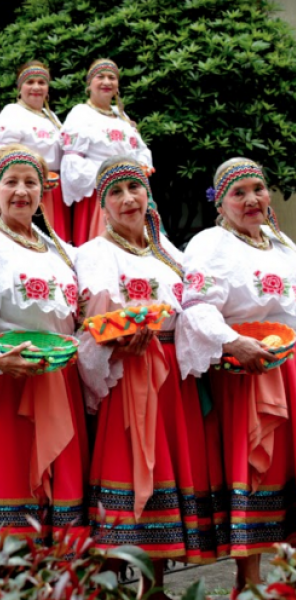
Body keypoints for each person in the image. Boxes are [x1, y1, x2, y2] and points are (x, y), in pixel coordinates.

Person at [76, 157, 223, 597]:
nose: (127, 200)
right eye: (116, 193)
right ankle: (107, 586)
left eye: (134, 189)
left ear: (147, 196)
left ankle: (154, 588)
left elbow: (198, 305)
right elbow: (92, 323)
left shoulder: (167, 253)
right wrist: (114, 342)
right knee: (125, 474)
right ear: (102, 205)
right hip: (128, 376)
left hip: (171, 379)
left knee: (166, 478)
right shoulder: (94, 253)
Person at [0, 145, 88, 542]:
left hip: (61, 381)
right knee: (15, 484)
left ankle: (60, 579)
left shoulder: (57, 248)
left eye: (31, 182)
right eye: (11, 182)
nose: (22, 190)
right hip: (14, 379)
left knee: (61, 487)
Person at [177, 158, 296, 592]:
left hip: (286, 369)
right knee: (251, 471)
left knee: (285, 471)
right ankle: (247, 581)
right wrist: (231, 342)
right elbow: (197, 305)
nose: (251, 200)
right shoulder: (209, 244)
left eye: (257, 189)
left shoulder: (281, 244)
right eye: (238, 192)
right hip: (244, 371)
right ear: (220, 202)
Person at [60, 59, 152, 246]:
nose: (106, 82)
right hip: (100, 192)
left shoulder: (121, 116)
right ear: (89, 84)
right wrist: (107, 177)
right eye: (100, 77)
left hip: (131, 189)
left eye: (112, 78)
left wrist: (142, 166)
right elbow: (72, 160)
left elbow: (140, 148)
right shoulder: (80, 114)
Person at [0, 61, 70, 242]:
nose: (36, 87)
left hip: (54, 190)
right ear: (20, 88)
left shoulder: (51, 117)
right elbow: (3, 154)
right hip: (27, 189)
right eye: (30, 82)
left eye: (41, 82)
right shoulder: (12, 113)